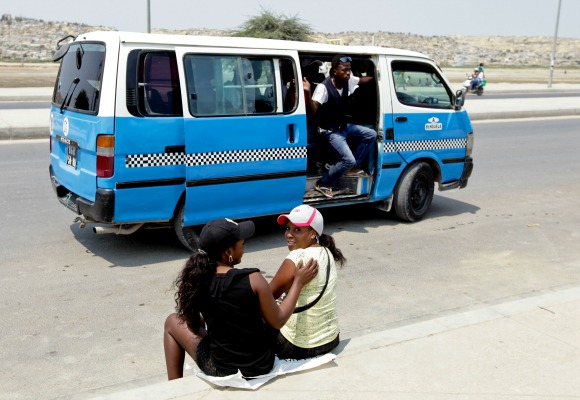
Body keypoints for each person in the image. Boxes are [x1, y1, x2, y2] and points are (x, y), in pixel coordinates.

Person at [163, 218, 318, 379]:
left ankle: (174, 386)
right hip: (261, 366)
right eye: (241, 243)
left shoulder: (196, 280)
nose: (244, 247)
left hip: (220, 369)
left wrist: (210, 316)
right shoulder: (253, 278)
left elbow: (192, 324)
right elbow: (278, 321)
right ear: (228, 253)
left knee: (172, 321)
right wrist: (298, 282)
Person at [269, 205, 346, 359]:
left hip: (297, 346)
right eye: (287, 228)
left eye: (297, 230)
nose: (289, 235)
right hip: (330, 339)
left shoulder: (297, 257)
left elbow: (266, 297)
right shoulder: (327, 252)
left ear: (312, 233)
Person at [303, 55, 377, 198]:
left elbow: (363, 80)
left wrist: (377, 76)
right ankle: (323, 182)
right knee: (348, 160)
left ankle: (352, 167)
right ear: (335, 71)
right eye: (344, 70)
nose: (348, 73)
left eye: (349, 70)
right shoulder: (323, 87)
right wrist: (308, 91)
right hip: (329, 131)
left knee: (371, 134)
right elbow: (313, 111)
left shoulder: (348, 81)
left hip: (342, 127)